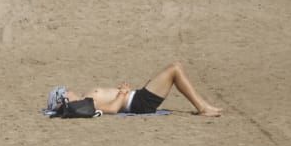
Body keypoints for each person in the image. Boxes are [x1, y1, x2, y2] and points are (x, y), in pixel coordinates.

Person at [50, 62, 223, 118]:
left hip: (137, 98)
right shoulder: (84, 104)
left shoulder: (83, 101)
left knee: (172, 70)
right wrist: (124, 92)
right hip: (138, 102)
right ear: (63, 98)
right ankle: (203, 108)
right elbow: (112, 109)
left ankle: (203, 107)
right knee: (175, 68)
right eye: (65, 91)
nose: (69, 90)